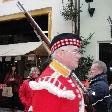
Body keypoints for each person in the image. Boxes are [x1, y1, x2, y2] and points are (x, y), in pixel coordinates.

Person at [29, 33, 85, 112]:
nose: (79, 56)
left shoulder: (65, 76)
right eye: (75, 51)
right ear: (60, 53)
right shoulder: (48, 84)